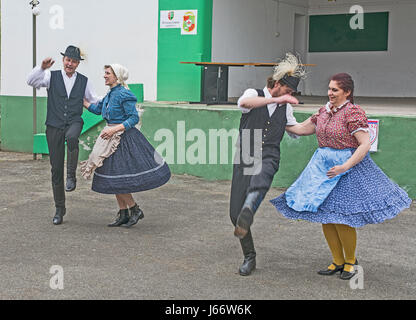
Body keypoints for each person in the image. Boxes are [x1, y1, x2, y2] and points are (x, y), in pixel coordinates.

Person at [271, 73, 412, 280]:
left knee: (343, 219)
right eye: (329, 89)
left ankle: (350, 261)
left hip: (347, 170)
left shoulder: (353, 113)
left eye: (335, 90)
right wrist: (278, 116)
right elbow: (301, 129)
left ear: (347, 92)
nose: (330, 93)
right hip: (323, 171)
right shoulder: (324, 112)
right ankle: (337, 261)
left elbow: (364, 144)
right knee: (327, 217)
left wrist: (344, 166)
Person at [230, 53, 306, 276]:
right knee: (235, 215)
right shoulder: (255, 93)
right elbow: (243, 103)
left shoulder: (286, 108)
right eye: (289, 91)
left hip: (270, 153)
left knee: (261, 178)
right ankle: (249, 255)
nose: (290, 96)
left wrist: (321, 121)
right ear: (279, 84)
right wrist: (276, 99)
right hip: (247, 153)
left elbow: (297, 129)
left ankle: (251, 203)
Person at [81, 64, 171, 227]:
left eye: (108, 73)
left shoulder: (124, 94)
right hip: (109, 139)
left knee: (118, 177)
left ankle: (134, 209)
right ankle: (123, 213)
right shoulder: (110, 94)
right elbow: (97, 109)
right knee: (114, 177)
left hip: (123, 140)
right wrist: (82, 100)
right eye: (105, 73)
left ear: (117, 76)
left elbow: (133, 118)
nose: (104, 76)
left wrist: (114, 129)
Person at [27, 45, 99, 225]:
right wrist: (42, 67)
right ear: (63, 60)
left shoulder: (84, 81)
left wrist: (112, 102)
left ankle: (72, 176)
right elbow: (30, 81)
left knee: (73, 137)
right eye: (68, 60)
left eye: (74, 61)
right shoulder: (51, 76)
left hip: (74, 121)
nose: (70, 64)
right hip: (54, 125)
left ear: (78, 64)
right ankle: (60, 208)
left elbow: (94, 100)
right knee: (55, 169)